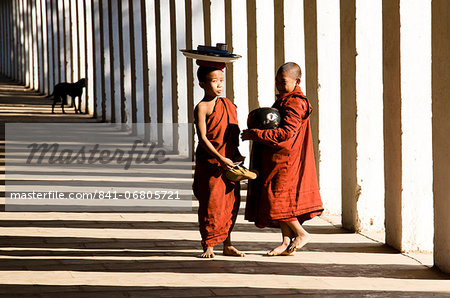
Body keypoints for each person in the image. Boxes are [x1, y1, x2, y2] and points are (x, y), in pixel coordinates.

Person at [241, 62, 324, 256]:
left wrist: (256, 134)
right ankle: (286, 242)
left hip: (287, 160)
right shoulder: (285, 100)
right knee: (281, 200)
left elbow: (286, 133)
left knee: (277, 199)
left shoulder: (296, 102)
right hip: (277, 157)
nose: (279, 84)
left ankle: (302, 234)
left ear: (297, 81)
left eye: (283, 81)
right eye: (277, 81)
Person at [192, 60, 246, 258]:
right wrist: (220, 158)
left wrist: (235, 156)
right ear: (202, 84)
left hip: (229, 162)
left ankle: (228, 243)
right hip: (211, 163)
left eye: (221, 80)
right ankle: (209, 244)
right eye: (214, 81)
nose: (219, 85)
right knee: (211, 203)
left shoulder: (228, 105)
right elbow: (203, 138)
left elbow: (232, 134)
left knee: (230, 204)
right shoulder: (202, 107)